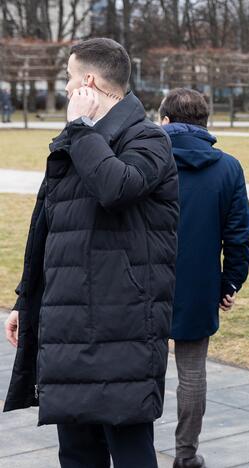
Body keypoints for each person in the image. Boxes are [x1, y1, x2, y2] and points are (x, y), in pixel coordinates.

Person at [2, 38, 178, 467]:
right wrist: (26, 300)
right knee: (77, 453)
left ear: (89, 82)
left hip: (123, 329)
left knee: (131, 451)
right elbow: (46, 228)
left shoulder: (149, 139)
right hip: (69, 326)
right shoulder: (75, 140)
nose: (65, 88)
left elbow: (115, 187)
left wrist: (80, 129)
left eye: (68, 77)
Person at [160, 88, 249, 468]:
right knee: (192, 374)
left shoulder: (146, 160)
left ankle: (132, 446)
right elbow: (239, 236)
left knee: (140, 371)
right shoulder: (228, 167)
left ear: (165, 122)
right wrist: (229, 283)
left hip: (143, 282)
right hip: (199, 284)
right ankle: (185, 455)